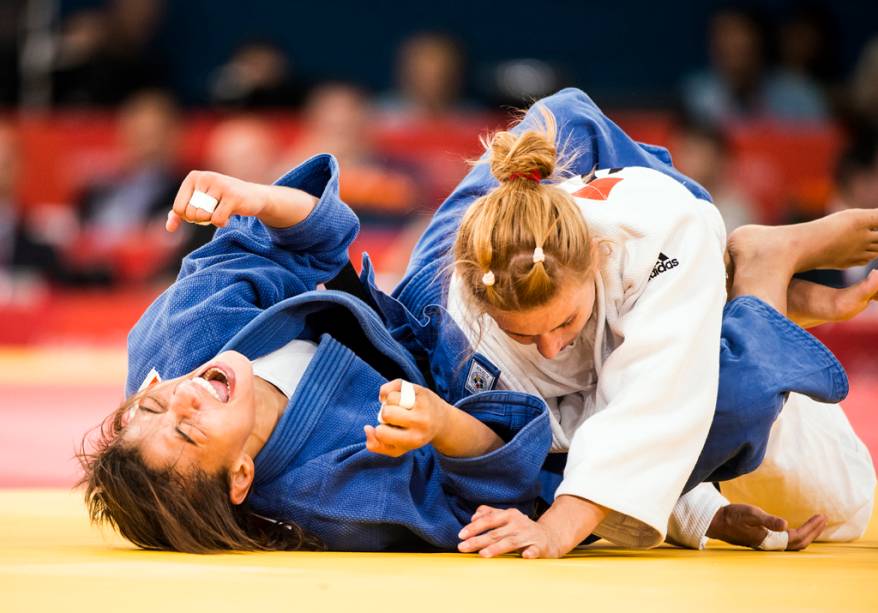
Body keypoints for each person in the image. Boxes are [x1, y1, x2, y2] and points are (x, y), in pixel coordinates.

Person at [389, 88, 875, 557]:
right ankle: (730, 293)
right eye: (524, 333)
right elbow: (544, 457)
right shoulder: (467, 325)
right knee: (513, 448)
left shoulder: (664, 228)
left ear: (597, 258)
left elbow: (652, 403)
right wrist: (697, 510)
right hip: (447, 293)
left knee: (566, 114)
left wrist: (558, 531)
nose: (552, 347)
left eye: (565, 321)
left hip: (659, 228)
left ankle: (756, 283)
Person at [79, 154, 553, 553]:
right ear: (241, 476)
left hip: (418, 309)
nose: (182, 398)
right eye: (188, 431)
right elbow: (497, 503)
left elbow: (312, 242)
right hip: (494, 385)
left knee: (553, 129)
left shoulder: (181, 333)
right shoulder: (329, 496)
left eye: (155, 404)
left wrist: (258, 200)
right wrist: (444, 426)